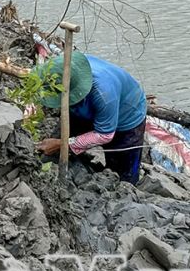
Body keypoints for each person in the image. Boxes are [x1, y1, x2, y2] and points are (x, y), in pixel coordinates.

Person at [34, 52, 147, 184]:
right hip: (83, 110)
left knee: (121, 175)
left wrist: (62, 144)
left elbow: (104, 135)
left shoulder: (104, 94)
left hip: (127, 116)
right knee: (54, 149)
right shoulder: (62, 68)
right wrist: (61, 143)